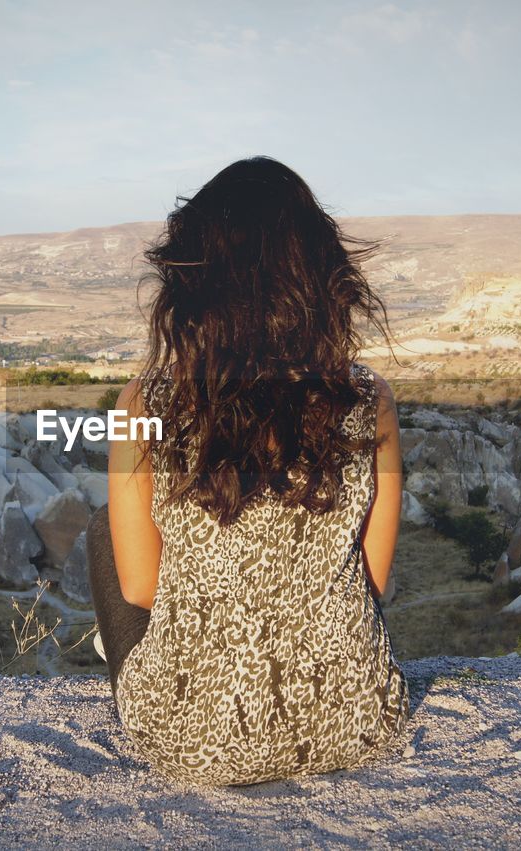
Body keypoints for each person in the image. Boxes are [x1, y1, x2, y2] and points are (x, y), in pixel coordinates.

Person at [86, 155, 411, 786]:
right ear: (321, 277)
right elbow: (371, 579)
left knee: (106, 532)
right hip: (355, 724)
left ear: (194, 284)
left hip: (187, 737)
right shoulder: (369, 403)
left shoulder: (146, 405)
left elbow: (141, 591)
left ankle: (135, 657)